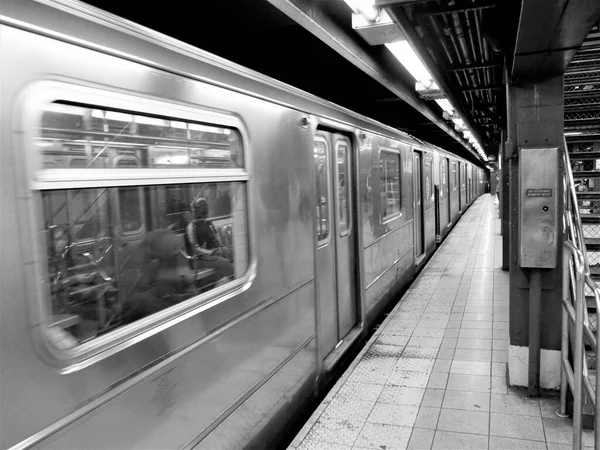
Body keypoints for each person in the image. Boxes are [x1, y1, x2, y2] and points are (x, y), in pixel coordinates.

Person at [184, 197, 234, 282]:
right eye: (202, 213)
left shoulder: (207, 223)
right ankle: (233, 282)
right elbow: (195, 250)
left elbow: (214, 239)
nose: (204, 216)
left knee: (234, 252)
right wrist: (212, 252)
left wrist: (220, 249)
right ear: (195, 212)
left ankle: (233, 276)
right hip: (196, 259)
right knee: (223, 263)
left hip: (208, 254)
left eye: (205, 213)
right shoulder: (191, 227)